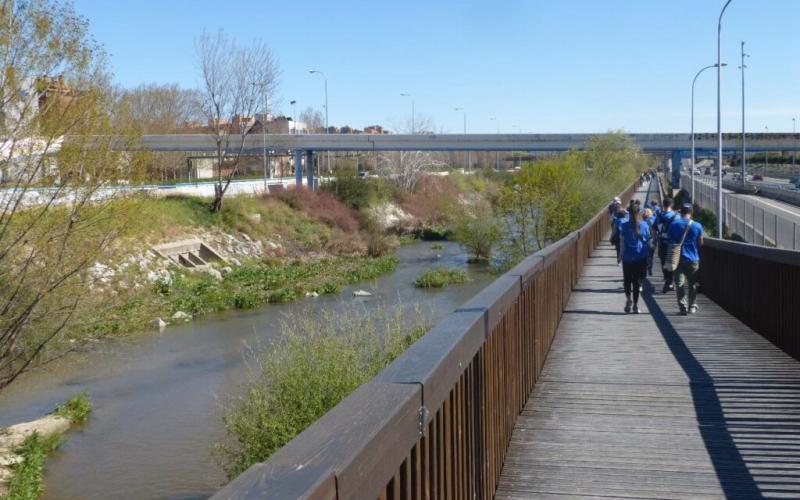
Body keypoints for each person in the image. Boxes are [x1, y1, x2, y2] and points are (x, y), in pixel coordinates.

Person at [667, 203, 704, 315]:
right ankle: (692, 305)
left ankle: (682, 306)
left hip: (677, 258)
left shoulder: (674, 224)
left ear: (681, 212)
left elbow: (670, 239)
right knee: (693, 283)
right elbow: (701, 243)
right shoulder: (697, 225)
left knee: (679, 283)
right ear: (691, 212)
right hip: (693, 258)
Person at [619, 206, 650, 314]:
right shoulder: (644, 225)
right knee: (637, 282)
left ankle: (628, 299)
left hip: (627, 257)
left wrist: (620, 255)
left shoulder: (624, 225)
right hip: (640, 257)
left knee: (627, 280)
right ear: (639, 213)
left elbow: (622, 242)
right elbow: (647, 240)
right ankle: (636, 306)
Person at [656, 197, 678, 293]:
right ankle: (670, 281)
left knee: (663, 261)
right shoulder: (676, 216)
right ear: (672, 205)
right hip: (673, 243)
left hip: (662, 242)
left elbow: (654, 228)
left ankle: (667, 280)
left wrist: (655, 239)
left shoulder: (659, 216)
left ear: (663, 204)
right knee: (673, 262)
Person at [642, 207, 657, 276]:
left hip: (644, 240)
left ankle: (645, 268)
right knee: (651, 255)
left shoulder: (643, 222)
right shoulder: (654, 219)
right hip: (652, 240)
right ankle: (650, 268)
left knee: (644, 255)